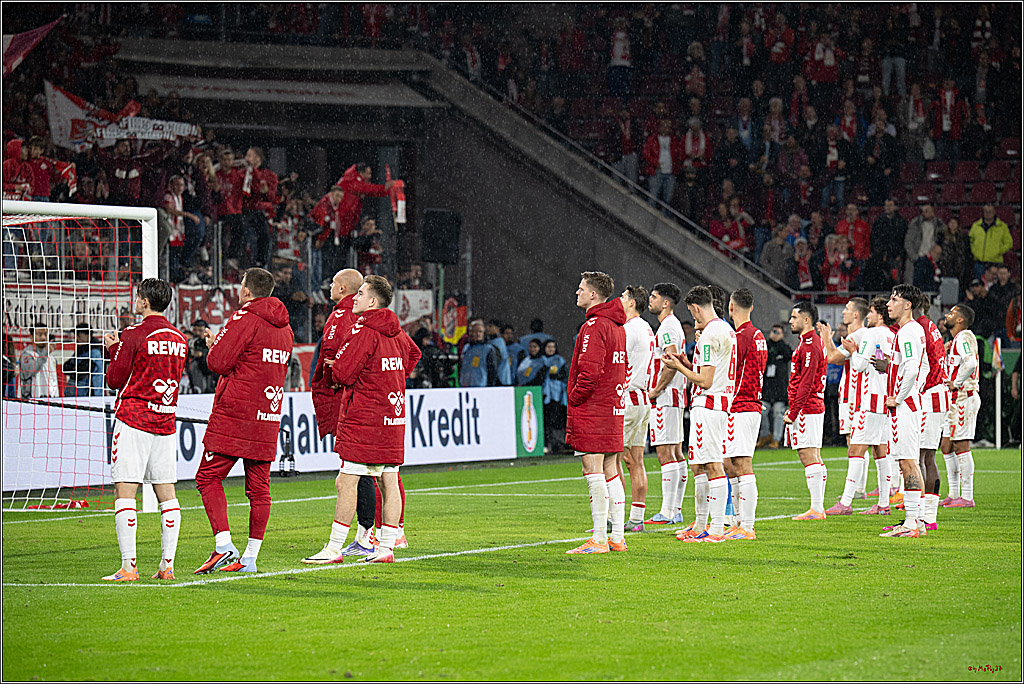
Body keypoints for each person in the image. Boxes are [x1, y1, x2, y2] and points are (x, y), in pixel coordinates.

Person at [304, 275, 420, 564]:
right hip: (392, 417)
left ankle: (333, 549)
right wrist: (388, 380)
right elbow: (414, 355)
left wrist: (340, 368)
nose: (354, 298)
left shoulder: (364, 329)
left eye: (361, 294)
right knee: (389, 480)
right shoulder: (396, 331)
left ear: (372, 301)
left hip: (365, 418)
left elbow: (342, 373)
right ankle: (385, 548)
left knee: (346, 482)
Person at [194, 268, 295, 574]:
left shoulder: (244, 318)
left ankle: (224, 546)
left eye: (240, 286)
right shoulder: (286, 329)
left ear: (247, 291)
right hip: (267, 415)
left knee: (207, 477)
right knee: (259, 490)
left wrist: (216, 344)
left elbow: (218, 362)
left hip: (236, 413)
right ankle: (250, 558)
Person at [101, 278, 187, 581]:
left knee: (125, 491)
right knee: (167, 494)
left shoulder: (133, 334)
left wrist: (113, 350)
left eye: (137, 297)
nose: (134, 301)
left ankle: (129, 567)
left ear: (145, 302)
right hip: (164, 422)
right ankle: (167, 566)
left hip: (134, 419)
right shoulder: (179, 338)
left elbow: (115, 379)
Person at [306, 268, 381, 559]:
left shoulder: (343, 314)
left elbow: (336, 351)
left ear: (345, 289)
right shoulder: (371, 320)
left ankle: (360, 539)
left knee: (356, 474)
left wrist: (337, 369)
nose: (330, 288)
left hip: (348, 400)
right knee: (374, 473)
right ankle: (375, 535)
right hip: (364, 400)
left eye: (334, 284)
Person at [660, 286, 736, 543]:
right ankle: (701, 525)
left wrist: (678, 367)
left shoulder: (709, 335)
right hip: (715, 403)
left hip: (710, 405)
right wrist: (686, 362)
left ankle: (715, 529)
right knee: (698, 465)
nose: (694, 321)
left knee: (712, 466)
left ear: (696, 308)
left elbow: (704, 381)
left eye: (693, 314)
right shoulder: (726, 330)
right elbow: (709, 372)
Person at [564, 272, 627, 554]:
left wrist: (575, 399)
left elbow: (589, 372)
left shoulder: (593, 326)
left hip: (594, 409)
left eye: (580, 289)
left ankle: (599, 538)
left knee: (593, 470)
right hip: (613, 406)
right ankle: (617, 537)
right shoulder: (617, 326)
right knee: (611, 469)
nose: (576, 293)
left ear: (593, 295)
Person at [875, 284, 929, 538]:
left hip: (905, 407)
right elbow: (924, 366)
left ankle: (911, 523)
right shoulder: (913, 331)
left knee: (907, 462)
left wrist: (899, 396)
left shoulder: (908, 332)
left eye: (894, 300)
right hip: (910, 404)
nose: (888, 304)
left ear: (907, 305)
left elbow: (912, 369)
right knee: (909, 462)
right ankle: (914, 519)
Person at [721, 289, 766, 540]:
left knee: (742, 465)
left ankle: (747, 526)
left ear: (731, 308)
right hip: (749, 405)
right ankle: (739, 522)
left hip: (741, 406)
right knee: (732, 464)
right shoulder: (758, 335)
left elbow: (732, 374)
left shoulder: (741, 336)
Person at [644, 283, 688, 526]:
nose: (650, 300)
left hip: (666, 397)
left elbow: (671, 360)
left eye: (654, 296)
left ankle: (667, 512)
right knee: (676, 453)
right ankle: (675, 510)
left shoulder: (668, 327)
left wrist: (656, 390)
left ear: (666, 303)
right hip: (674, 396)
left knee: (665, 453)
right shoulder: (672, 326)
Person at [851, 297, 899, 515]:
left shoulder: (871, 334)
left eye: (870, 312)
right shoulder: (892, 336)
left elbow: (860, 365)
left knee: (856, 448)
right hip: (886, 400)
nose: (867, 316)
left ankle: (845, 502)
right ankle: (883, 504)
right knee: (881, 452)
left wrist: (855, 350)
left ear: (879, 315)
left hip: (870, 400)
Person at [784, 301, 828, 521]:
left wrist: (793, 412)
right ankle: (817, 508)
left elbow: (806, 382)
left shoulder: (810, 345)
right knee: (813, 455)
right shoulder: (807, 343)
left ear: (806, 319)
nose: (790, 321)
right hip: (810, 406)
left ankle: (817, 509)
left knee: (808, 454)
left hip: (807, 407)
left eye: (794, 317)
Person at [618, 285, 655, 532]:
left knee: (611, 460)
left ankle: (614, 515)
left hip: (628, 399)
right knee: (636, 460)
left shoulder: (628, 330)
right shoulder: (647, 328)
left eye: (622, 297)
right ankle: (637, 518)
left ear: (631, 302)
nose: (619, 300)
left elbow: (618, 365)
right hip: (643, 399)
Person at [913, 296, 950, 531]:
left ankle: (921, 517)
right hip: (938, 394)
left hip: (931, 396)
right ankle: (928, 516)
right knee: (926, 456)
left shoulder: (922, 328)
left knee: (921, 456)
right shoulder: (931, 327)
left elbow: (922, 366)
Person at [941, 304, 980, 508]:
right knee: (946, 446)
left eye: (952, 313)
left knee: (961, 445)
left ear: (960, 320)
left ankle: (967, 496)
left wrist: (956, 382)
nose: (947, 315)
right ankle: (954, 493)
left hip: (964, 397)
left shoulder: (964, 337)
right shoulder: (956, 340)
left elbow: (970, 363)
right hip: (954, 400)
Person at [758, 324, 791, 449]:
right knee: (761, 411)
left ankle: (776, 438)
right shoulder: (766, 346)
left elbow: (788, 355)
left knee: (778, 413)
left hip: (780, 389)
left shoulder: (784, 348)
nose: (775, 334)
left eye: (778, 332)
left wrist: (780, 341)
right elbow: (763, 356)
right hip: (766, 388)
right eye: (774, 331)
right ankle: (765, 434)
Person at [968, 204, 1013, 280]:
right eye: (986, 211)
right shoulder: (975, 226)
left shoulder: (1002, 226)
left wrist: (999, 251)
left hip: (995, 263)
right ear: (983, 212)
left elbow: (1009, 243)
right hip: (979, 263)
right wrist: (974, 251)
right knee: (979, 289)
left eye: (990, 211)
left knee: (996, 289)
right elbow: (970, 241)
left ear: (994, 212)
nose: (988, 213)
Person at [541, 339, 568, 453]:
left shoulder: (560, 361)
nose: (551, 349)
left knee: (557, 421)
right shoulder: (540, 361)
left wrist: (555, 377)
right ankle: (548, 444)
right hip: (544, 395)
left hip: (557, 396)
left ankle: (558, 444)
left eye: (552, 347)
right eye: (548, 347)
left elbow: (564, 375)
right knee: (546, 421)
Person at [62, 322, 104, 397]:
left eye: (79, 336)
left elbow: (82, 370)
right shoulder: (80, 351)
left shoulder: (95, 353)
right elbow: (65, 368)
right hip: (77, 394)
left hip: (90, 396)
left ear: (87, 336)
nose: (77, 338)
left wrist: (74, 369)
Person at [19, 324, 58, 398]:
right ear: (31, 337)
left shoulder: (51, 357)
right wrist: (45, 352)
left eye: (45, 334)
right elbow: (30, 371)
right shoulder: (27, 354)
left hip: (50, 399)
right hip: (32, 400)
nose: (43, 338)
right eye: (39, 335)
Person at [460, 320, 499, 387]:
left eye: (480, 332)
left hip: (481, 387)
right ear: (471, 332)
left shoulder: (488, 349)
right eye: (475, 331)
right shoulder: (466, 348)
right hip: (466, 386)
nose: (478, 334)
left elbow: (493, 371)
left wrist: (490, 386)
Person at [485, 320, 513, 386]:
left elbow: (495, 361)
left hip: (501, 378)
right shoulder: (490, 341)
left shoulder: (499, 342)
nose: (487, 328)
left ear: (497, 328)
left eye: (490, 326)